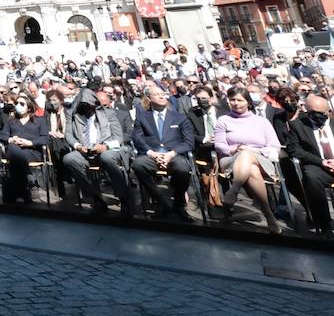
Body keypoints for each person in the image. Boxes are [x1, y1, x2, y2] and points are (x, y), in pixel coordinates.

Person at [213, 86, 283, 234]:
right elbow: (219, 145)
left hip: (261, 159)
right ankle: (268, 214)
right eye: (232, 100)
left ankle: (234, 189)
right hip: (231, 159)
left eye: (240, 100)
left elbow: (275, 146)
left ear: (248, 102)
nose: (236, 103)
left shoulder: (262, 121)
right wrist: (234, 149)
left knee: (248, 155)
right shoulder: (223, 120)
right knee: (251, 169)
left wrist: (253, 151)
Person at [62, 89, 132, 216]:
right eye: (84, 106)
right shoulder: (72, 114)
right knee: (69, 159)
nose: (87, 110)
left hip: (108, 148)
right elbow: (68, 135)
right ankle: (95, 197)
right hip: (85, 149)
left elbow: (119, 138)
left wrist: (105, 146)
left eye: (89, 106)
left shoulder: (108, 113)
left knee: (107, 158)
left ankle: (123, 198)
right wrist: (77, 146)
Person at [130, 84, 196, 221]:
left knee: (183, 168)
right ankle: (161, 202)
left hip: (173, 154)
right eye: (156, 94)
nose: (161, 96)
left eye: (163, 93)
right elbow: (137, 138)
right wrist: (151, 153)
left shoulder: (179, 117)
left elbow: (189, 142)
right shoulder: (142, 117)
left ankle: (178, 204)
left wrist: (171, 154)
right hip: (152, 155)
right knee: (138, 165)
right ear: (148, 98)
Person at [284, 93, 334, 236]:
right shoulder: (297, 125)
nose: (314, 116)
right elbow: (294, 149)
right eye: (310, 112)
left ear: (328, 112)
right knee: (311, 177)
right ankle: (324, 223)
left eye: (318, 113)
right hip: (318, 166)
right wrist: (322, 162)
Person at [0, 92, 48, 205]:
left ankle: (19, 191)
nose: (18, 105)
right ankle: (27, 183)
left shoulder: (40, 120)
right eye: (16, 103)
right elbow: (3, 136)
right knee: (13, 148)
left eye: (21, 103)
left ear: (29, 107)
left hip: (32, 151)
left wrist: (29, 143)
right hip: (14, 149)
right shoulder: (11, 121)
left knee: (15, 159)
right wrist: (11, 139)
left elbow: (45, 139)